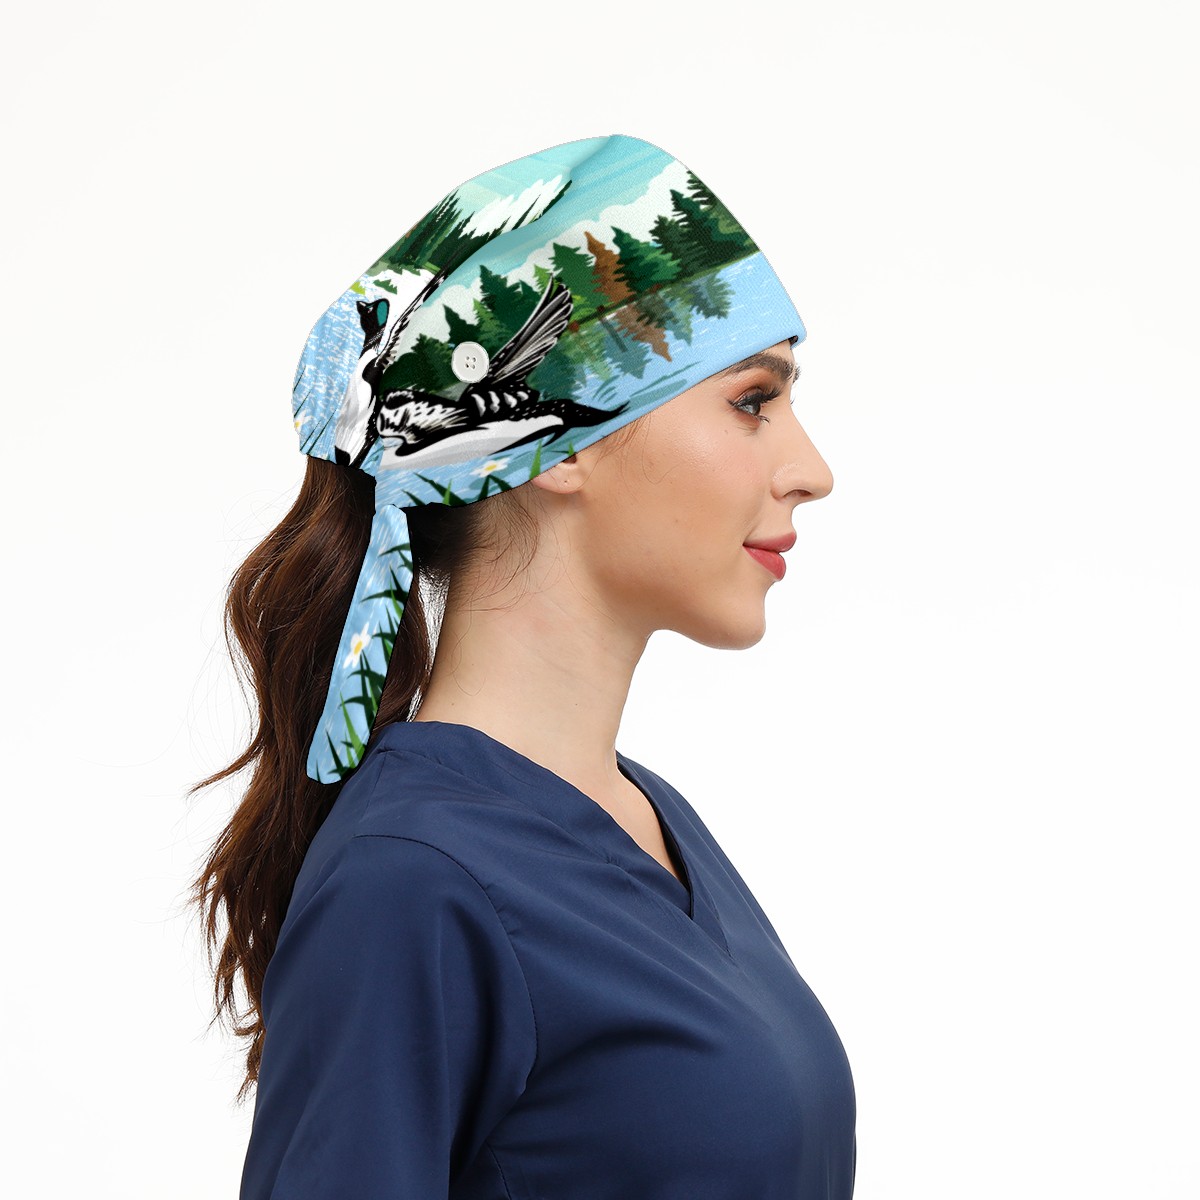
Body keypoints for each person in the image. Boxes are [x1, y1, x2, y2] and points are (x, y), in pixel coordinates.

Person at [189, 133, 857, 1198]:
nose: (810, 470)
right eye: (751, 401)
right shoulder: (413, 879)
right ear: (564, 439)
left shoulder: (647, 819)